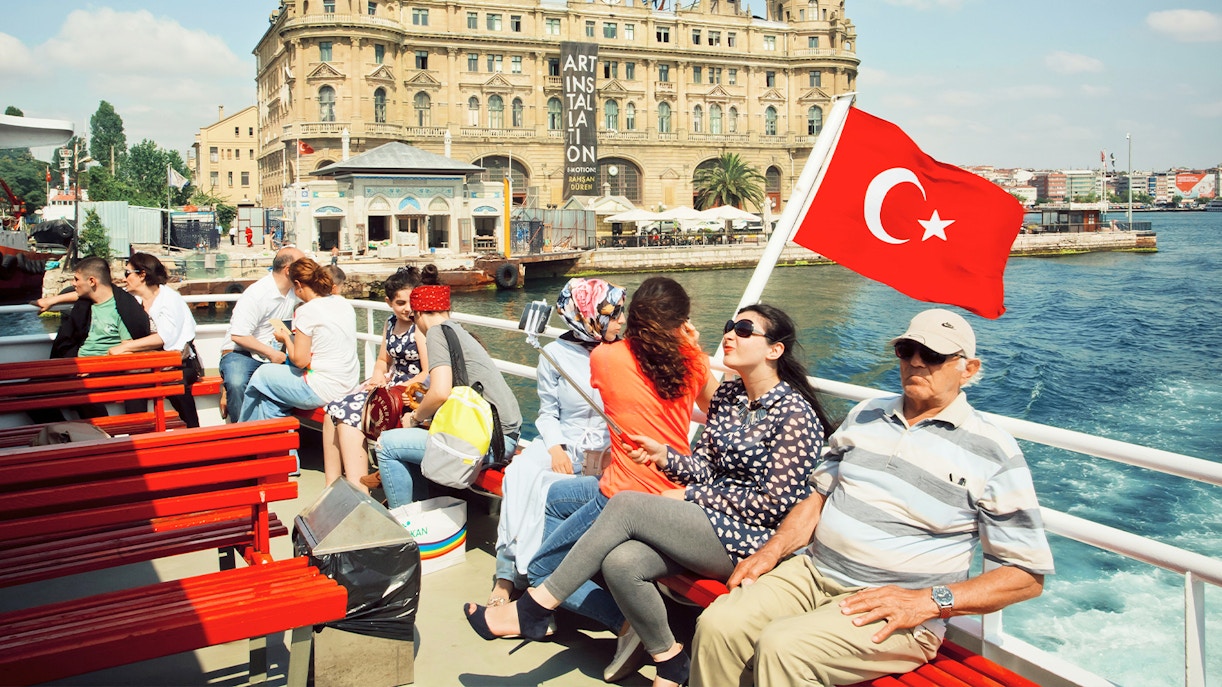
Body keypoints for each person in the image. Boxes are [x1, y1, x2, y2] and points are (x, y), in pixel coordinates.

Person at [465, 304, 833, 687]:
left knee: (625, 503)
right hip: (708, 523)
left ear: (775, 350)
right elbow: (706, 466)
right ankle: (670, 660)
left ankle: (534, 608)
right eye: (729, 325)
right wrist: (665, 455)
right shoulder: (730, 397)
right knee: (623, 562)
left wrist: (691, 496)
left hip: (748, 539)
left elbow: (774, 504)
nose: (729, 334)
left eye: (743, 329)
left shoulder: (794, 414)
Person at [688, 309, 1056, 687]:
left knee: (783, 648)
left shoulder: (993, 452)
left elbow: (1025, 575)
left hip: (896, 604)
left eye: (932, 355)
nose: (915, 362)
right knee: (719, 626)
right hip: (813, 572)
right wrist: (772, 550)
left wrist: (929, 602)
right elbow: (816, 497)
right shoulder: (866, 415)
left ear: (968, 369)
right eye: (907, 349)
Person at [522, 276, 717, 675]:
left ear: (636, 317)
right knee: (556, 499)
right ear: (681, 322)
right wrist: (693, 347)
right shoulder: (691, 360)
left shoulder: (606, 358)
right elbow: (716, 405)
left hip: (624, 491)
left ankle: (628, 625)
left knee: (540, 569)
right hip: (675, 486)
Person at [490, 278, 627, 607]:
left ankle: (539, 576)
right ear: (588, 315)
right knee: (521, 474)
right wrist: (555, 449)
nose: (622, 320)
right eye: (615, 313)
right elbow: (548, 413)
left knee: (547, 491)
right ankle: (507, 575)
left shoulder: (626, 353)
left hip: (609, 448)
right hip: (563, 438)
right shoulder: (553, 354)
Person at [375, 265, 523, 509]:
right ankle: (424, 511)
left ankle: (409, 526)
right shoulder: (455, 330)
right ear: (447, 309)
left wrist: (413, 418)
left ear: (419, 314)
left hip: (489, 442)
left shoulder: (435, 333)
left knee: (387, 444)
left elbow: (441, 391)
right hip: (502, 437)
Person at [321, 267, 428, 492]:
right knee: (332, 411)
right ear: (389, 302)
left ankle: (358, 487)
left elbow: (426, 372)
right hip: (390, 384)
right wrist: (377, 378)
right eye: (400, 303)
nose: (407, 309)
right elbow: (382, 360)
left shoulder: (419, 327)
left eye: (411, 302)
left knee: (350, 414)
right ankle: (331, 484)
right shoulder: (390, 324)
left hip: (410, 390)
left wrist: (396, 387)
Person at [30, 257, 153, 422]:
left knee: (82, 390)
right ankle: (63, 432)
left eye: (76, 279)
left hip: (101, 372)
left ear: (92, 281)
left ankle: (101, 433)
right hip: (76, 365)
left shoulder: (123, 309)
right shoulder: (89, 302)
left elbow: (127, 351)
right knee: (29, 388)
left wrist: (95, 368)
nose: (73, 283)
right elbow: (81, 294)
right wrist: (52, 300)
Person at [238, 258, 358, 422]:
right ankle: (278, 444)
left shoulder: (306, 311)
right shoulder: (342, 302)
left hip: (322, 389)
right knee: (270, 400)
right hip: (348, 383)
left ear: (298, 284)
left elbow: (300, 361)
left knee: (260, 376)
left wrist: (286, 338)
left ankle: (245, 430)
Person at [107, 253, 202, 427]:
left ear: (142, 274)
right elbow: (100, 293)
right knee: (133, 383)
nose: (124, 278)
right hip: (149, 362)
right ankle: (137, 437)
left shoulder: (169, 299)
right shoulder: (134, 300)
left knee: (173, 381)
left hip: (179, 362)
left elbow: (164, 337)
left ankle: (193, 432)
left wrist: (126, 347)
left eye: (128, 273)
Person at [218, 245, 304, 421]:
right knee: (236, 383)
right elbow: (239, 335)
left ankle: (281, 435)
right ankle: (244, 438)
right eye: (302, 265)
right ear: (288, 270)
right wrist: (273, 354)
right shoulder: (257, 294)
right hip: (241, 354)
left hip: (272, 354)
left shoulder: (294, 293)